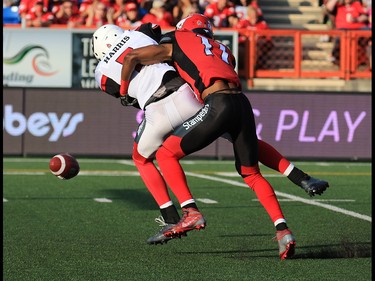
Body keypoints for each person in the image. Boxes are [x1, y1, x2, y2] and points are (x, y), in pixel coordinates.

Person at [92, 19, 328, 256]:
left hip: (185, 105)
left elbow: (129, 69)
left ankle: (177, 214)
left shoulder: (173, 39)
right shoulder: (221, 48)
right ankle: (293, 196)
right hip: (215, 99)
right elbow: (152, 29)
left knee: (152, 156)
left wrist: (124, 91)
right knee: (249, 160)